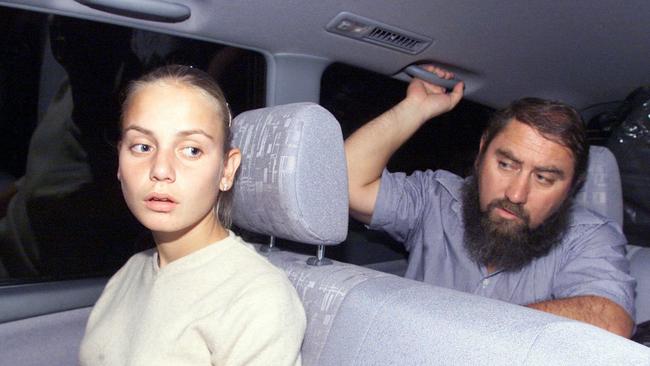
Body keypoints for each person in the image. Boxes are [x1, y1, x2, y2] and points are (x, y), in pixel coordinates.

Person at [345, 65, 635, 338]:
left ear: (572, 187)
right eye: (507, 165)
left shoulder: (589, 237)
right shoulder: (435, 199)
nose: (516, 194)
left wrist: (473, 329)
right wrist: (414, 110)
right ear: (482, 152)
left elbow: (610, 320)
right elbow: (344, 185)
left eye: (543, 178)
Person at [79, 65, 306, 365]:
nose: (160, 169)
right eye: (143, 146)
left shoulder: (258, 298)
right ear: (120, 162)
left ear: (227, 169)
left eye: (191, 151)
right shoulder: (132, 271)